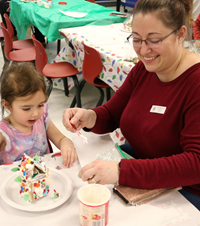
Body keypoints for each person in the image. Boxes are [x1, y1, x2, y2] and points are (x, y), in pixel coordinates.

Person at [63, 0, 200, 210]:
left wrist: (122, 171)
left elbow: (195, 164)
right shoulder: (144, 70)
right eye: (136, 39)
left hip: (185, 192)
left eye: (153, 40)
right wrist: (91, 116)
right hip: (140, 168)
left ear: (181, 34)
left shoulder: (195, 82)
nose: (143, 50)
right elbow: (112, 114)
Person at [0, 62, 77, 167]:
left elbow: (61, 139)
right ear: (7, 105)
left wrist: (67, 146)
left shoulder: (42, 118)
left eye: (40, 105)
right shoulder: (3, 132)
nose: (36, 113)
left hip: (46, 177)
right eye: (26, 108)